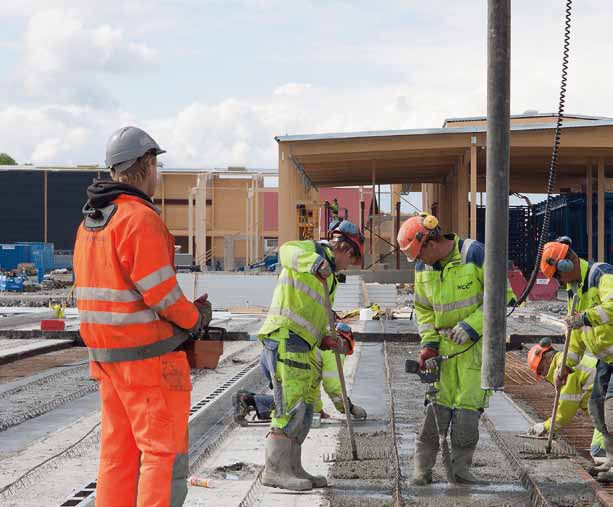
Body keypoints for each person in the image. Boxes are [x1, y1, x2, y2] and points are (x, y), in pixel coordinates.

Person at [74, 126, 212, 507]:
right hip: (148, 363)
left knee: (118, 455)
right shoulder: (139, 219)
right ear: (147, 164)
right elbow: (163, 295)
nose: (159, 173)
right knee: (162, 454)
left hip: (107, 362)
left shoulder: (90, 224)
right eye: (157, 164)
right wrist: (195, 318)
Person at [397, 212, 514, 485]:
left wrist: (473, 325)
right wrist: (428, 344)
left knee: (467, 411)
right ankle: (422, 470)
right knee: (435, 407)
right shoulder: (423, 268)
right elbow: (424, 310)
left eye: (419, 255)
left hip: (474, 347)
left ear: (431, 242)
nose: (420, 262)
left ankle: (460, 471)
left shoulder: (474, 254)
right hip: (444, 350)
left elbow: (503, 299)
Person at [257, 220, 364, 491]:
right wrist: (313, 263)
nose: (349, 265)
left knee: (304, 408)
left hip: (304, 342)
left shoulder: (330, 280)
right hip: (285, 336)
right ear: (344, 249)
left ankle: (293, 467)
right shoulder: (311, 252)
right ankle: (275, 470)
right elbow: (285, 251)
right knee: (289, 407)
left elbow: (314, 315)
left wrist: (326, 339)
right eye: (352, 259)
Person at [541, 237, 613, 482]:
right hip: (608, 360)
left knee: (611, 411)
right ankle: (612, 460)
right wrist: (565, 368)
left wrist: (585, 317)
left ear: (566, 265)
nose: (559, 282)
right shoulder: (575, 292)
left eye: (558, 277)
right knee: (596, 407)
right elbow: (576, 341)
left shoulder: (599, 275)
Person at [233, 343, 367, 425]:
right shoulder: (333, 352)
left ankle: (249, 400)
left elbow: (312, 389)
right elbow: (332, 387)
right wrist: (348, 408)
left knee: (299, 405)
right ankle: (246, 400)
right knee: (292, 409)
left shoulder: (321, 345)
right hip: (283, 362)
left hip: (273, 356)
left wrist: (317, 410)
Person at [526, 337, 603, 459]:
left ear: (545, 359)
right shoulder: (565, 362)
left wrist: (545, 426)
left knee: (599, 449)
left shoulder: (565, 370)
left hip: (606, 407)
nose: (543, 375)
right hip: (603, 408)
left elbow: (565, 412)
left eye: (541, 371)